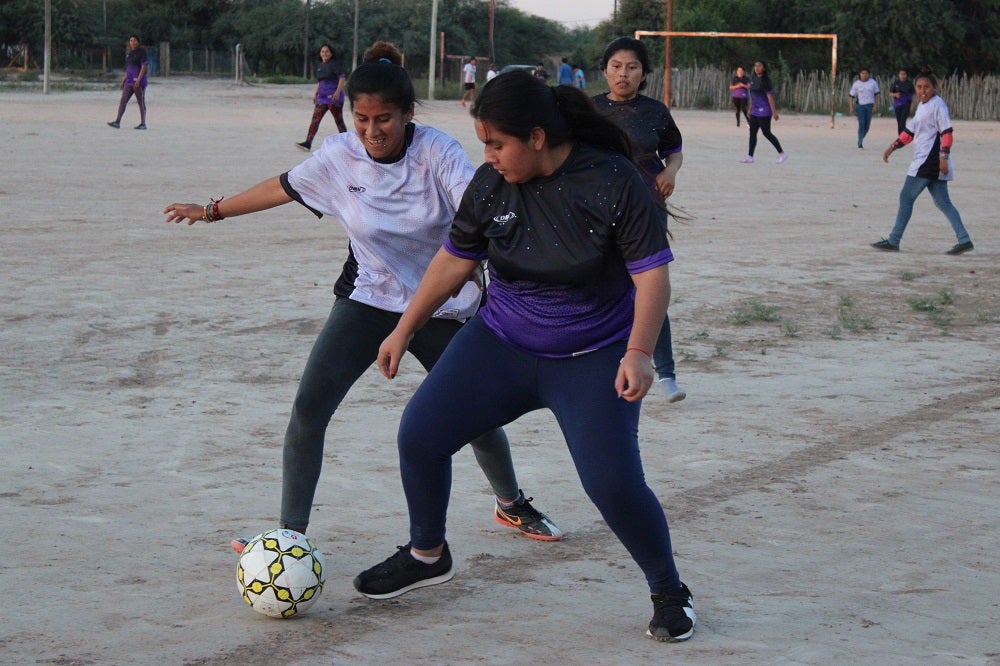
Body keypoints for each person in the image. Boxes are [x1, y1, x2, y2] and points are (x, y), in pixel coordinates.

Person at [163, 41, 562, 549]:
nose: (372, 132)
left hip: (443, 303)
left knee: (472, 414)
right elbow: (281, 188)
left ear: (408, 114)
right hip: (368, 297)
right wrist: (213, 210)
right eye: (362, 118)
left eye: (385, 120)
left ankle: (511, 504)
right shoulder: (339, 157)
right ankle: (290, 535)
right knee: (309, 409)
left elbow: (480, 206)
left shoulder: (437, 152)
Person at [353, 70, 696, 644]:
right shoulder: (492, 184)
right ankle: (427, 552)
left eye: (496, 143)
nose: (488, 156)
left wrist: (639, 353)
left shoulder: (614, 181)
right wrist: (405, 328)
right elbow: (453, 260)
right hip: (502, 344)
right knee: (420, 434)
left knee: (611, 484)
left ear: (536, 136)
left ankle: (669, 591)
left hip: (593, 355)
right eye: (484, 142)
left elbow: (652, 274)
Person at [592, 36, 685, 403]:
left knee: (649, 289)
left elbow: (674, 152)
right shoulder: (588, 111)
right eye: (616, 66)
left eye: (632, 67)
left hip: (647, 209)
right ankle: (605, 368)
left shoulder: (655, 111)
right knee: (602, 289)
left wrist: (671, 172)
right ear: (605, 70)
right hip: (598, 211)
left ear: (643, 73)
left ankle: (666, 374)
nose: (623, 74)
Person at [871, 72, 974, 255]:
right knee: (944, 203)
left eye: (926, 87)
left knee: (906, 197)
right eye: (919, 87)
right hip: (928, 161)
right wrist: (892, 147)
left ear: (934, 88)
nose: (922, 91)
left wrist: (943, 158)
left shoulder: (938, 105)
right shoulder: (922, 106)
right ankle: (964, 240)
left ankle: (894, 240)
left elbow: (947, 133)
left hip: (929, 162)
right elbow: (910, 132)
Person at [295, 44, 347, 152]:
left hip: (334, 98)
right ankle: (308, 143)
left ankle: (348, 143)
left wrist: (337, 92)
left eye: (327, 51)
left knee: (339, 121)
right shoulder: (320, 66)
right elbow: (320, 82)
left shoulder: (335, 64)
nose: (324, 53)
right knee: (315, 120)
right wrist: (316, 94)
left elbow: (342, 78)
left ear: (331, 53)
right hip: (322, 98)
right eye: (322, 51)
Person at [740, 60, 788, 164]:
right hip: (755, 111)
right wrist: (750, 109)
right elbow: (753, 96)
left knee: (766, 133)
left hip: (765, 110)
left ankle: (782, 153)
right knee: (752, 133)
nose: (757, 68)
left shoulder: (766, 81)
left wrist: (774, 112)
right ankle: (750, 156)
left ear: (764, 68)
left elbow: (770, 98)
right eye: (755, 65)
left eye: (759, 66)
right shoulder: (753, 80)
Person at [107, 35, 148, 130]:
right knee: (123, 101)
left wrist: (138, 80)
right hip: (129, 81)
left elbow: (143, 68)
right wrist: (123, 81)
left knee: (140, 102)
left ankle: (143, 123)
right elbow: (128, 69)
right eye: (131, 40)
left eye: (134, 40)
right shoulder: (130, 54)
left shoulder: (142, 52)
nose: (132, 42)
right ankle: (117, 121)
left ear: (138, 42)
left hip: (138, 82)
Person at [849, 68, 880, 149]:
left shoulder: (873, 83)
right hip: (860, 105)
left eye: (866, 73)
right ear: (860, 74)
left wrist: (875, 106)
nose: (864, 75)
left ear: (868, 74)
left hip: (869, 105)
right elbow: (851, 96)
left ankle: (862, 136)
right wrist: (851, 107)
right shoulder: (857, 84)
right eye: (862, 73)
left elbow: (876, 95)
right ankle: (860, 140)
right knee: (861, 123)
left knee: (867, 125)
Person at [889, 69, 916, 135]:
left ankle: (902, 136)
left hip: (906, 104)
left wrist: (912, 106)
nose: (902, 76)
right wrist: (895, 94)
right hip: (897, 104)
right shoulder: (896, 83)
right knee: (899, 121)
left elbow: (913, 95)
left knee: (903, 121)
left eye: (904, 74)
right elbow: (890, 93)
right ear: (899, 75)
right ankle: (900, 136)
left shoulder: (909, 84)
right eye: (901, 74)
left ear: (906, 75)